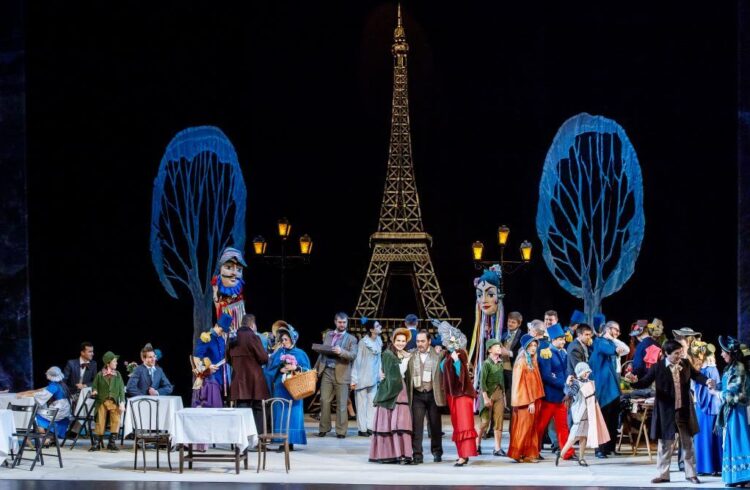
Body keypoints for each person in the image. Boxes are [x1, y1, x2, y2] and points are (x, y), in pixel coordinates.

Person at [626, 339, 715, 484]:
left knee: (688, 443)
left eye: (680, 353)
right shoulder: (658, 367)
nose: (679, 356)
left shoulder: (685, 364)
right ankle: (663, 474)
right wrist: (634, 381)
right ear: (666, 353)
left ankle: (691, 474)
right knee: (665, 444)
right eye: (675, 354)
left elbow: (697, 375)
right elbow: (644, 382)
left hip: (683, 410)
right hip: (666, 411)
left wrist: (707, 381)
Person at [369, 327, 413, 464]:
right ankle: (388, 454)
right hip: (390, 390)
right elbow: (389, 375)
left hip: (401, 391)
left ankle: (403, 454)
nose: (400, 343)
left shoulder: (409, 355)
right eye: (398, 340)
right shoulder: (388, 354)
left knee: (400, 425)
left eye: (403, 341)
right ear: (393, 340)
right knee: (387, 424)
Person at [264, 323, 310, 451]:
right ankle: (281, 441)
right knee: (281, 412)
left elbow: (308, 371)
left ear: (292, 339)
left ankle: (291, 441)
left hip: (295, 388)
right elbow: (269, 370)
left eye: (286, 339)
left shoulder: (300, 353)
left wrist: (296, 368)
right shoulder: (278, 353)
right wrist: (280, 368)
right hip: (281, 387)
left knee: (293, 414)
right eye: (282, 339)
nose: (283, 342)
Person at [437, 321, 477, 467]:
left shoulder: (460, 354)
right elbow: (443, 371)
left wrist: (456, 361)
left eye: (445, 338)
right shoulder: (447, 354)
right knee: (457, 425)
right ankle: (461, 453)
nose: (442, 340)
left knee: (463, 424)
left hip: (462, 394)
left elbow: (462, 375)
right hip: (453, 395)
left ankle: (464, 455)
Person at [556, 362, 610, 467]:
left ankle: (581, 458)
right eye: (585, 372)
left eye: (588, 372)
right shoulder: (576, 383)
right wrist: (567, 384)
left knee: (584, 436)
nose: (587, 374)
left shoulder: (589, 382)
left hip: (589, 412)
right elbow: (570, 393)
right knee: (574, 436)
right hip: (579, 412)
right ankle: (561, 453)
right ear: (580, 373)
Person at [313, 312, 358, 438]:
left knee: (342, 403)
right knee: (324, 400)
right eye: (340, 322)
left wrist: (341, 351)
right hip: (327, 371)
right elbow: (322, 353)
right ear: (335, 322)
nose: (342, 325)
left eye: (344, 322)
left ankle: (341, 431)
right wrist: (315, 370)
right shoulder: (328, 335)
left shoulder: (352, 339)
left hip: (342, 373)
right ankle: (324, 427)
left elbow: (353, 355)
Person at [589, 321, 627, 458]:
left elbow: (625, 349)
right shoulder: (599, 341)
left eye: (618, 331)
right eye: (615, 330)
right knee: (602, 418)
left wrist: (614, 340)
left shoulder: (612, 342)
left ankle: (610, 447)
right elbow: (607, 349)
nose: (617, 333)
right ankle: (600, 449)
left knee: (613, 418)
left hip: (613, 386)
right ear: (607, 329)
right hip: (603, 386)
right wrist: (614, 349)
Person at [536, 324, 575, 460]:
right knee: (541, 426)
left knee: (563, 426)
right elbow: (546, 375)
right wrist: (563, 385)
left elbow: (566, 372)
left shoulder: (563, 352)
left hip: (562, 396)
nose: (563, 341)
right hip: (550, 396)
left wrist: (568, 387)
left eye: (563, 339)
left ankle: (567, 452)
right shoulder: (546, 353)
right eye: (560, 339)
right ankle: (534, 450)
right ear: (553, 340)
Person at [468, 266, 503, 411]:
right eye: (479, 294)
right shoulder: (482, 328)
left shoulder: (503, 329)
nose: (484, 300)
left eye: (490, 294)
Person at [717, 335, 750, 487]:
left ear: (731, 353)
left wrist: (716, 393)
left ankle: (744, 476)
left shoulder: (739, 368)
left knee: (738, 439)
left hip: (737, 410)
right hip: (730, 410)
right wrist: (716, 386)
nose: (722, 354)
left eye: (724, 351)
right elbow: (726, 386)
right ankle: (734, 477)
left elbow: (733, 393)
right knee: (731, 440)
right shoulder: (730, 368)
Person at [408, 330, 445, 464]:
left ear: (429, 341)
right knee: (416, 427)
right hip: (417, 394)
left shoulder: (438, 354)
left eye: (423, 341)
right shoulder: (411, 355)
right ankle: (417, 454)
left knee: (435, 426)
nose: (420, 344)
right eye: (418, 341)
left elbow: (458, 346)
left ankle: (437, 452)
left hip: (433, 394)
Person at [229, 313, 270, 433]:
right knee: (258, 408)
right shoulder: (253, 336)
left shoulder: (232, 337)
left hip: (238, 379)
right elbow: (263, 358)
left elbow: (227, 358)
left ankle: (242, 439)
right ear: (252, 325)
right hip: (254, 379)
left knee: (242, 409)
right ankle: (257, 440)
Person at [508, 334, 545, 463]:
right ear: (525, 347)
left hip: (535, 399)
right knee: (523, 428)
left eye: (535, 345)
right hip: (526, 401)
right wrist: (530, 401)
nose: (534, 348)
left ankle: (529, 453)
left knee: (532, 428)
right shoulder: (521, 362)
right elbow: (521, 384)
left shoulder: (532, 361)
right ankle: (517, 453)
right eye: (531, 346)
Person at [688, 340, 722, 477]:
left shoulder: (708, 369)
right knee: (708, 437)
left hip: (706, 407)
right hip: (708, 406)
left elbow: (707, 391)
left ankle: (707, 467)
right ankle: (711, 466)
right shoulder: (708, 369)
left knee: (705, 436)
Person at [17, 366, 72, 439]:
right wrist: (25, 392)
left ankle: (43, 437)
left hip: (59, 411)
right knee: (39, 412)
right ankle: (46, 437)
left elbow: (41, 395)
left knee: (35, 415)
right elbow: (40, 390)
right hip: (64, 410)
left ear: (51, 375)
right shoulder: (60, 384)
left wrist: (24, 395)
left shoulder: (54, 386)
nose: (46, 374)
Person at [351, 320, 383, 437]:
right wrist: (354, 379)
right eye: (377, 326)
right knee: (361, 404)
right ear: (371, 330)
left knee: (372, 404)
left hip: (373, 377)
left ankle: (370, 426)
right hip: (362, 376)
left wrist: (380, 372)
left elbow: (379, 359)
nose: (380, 327)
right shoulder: (363, 342)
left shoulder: (379, 340)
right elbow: (357, 360)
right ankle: (362, 428)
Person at [90, 351, 126, 452]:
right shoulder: (100, 375)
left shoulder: (117, 375)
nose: (116, 363)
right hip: (102, 401)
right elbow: (94, 386)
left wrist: (122, 402)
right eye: (114, 361)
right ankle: (97, 443)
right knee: (100, 420)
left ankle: (112, 443)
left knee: (116, 420)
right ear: (108, 363)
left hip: (113, 401)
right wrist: (94, 391)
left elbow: (121, 390)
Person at [476, 339, 506, 456]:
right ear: (489, 350)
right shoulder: (486, 364)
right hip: (488, 395)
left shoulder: (500, 363)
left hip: (499, 395)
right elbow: (482, 382)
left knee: (499, 422)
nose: (499, 348)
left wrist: (504, 396)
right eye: (496, 346)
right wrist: (485, 398)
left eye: (499, 346)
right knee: (485, 422)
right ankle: (477, 443)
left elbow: (502, 381)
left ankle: (497, 448)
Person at [501, 311, 524, 409]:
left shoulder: (523, 335)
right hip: (501, 368)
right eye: (509, 321)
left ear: (519, 324)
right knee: (501, 391)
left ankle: (512, 413)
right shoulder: (503, 333)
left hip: (513, 368)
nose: (510, 324)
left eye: (513, 322)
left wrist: (509, 353)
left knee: (512, 392)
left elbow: (522, 353)